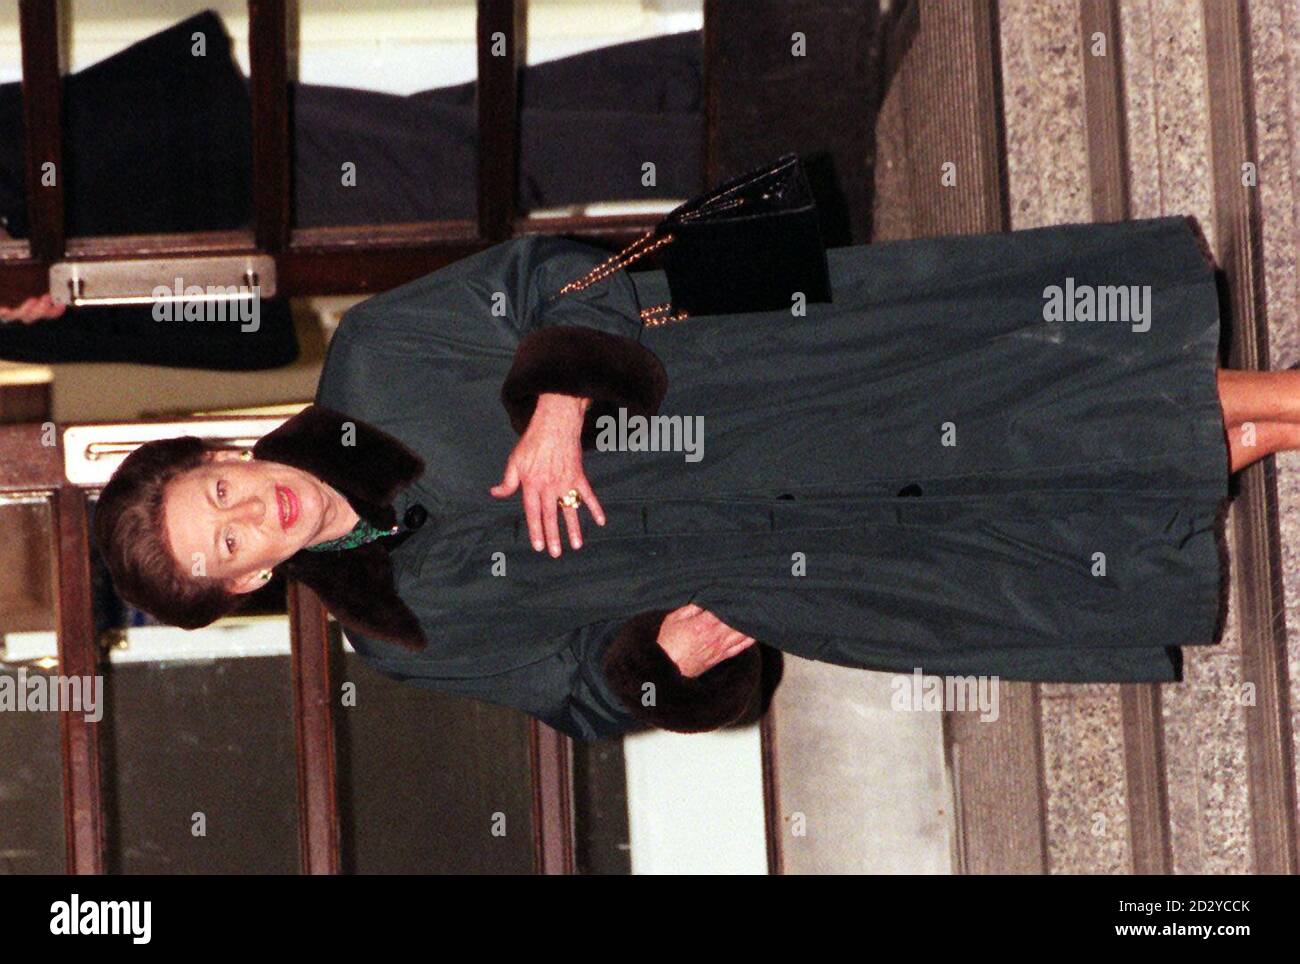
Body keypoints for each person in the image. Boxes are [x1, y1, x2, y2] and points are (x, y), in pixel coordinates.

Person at [94, 213, 1259, 740]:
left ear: (219, 453)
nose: (253, 517)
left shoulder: (375, 359)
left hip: (758, 394)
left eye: (221, 497)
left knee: (1026, 410)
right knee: (1046, 533)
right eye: (229, 548)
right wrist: (657, 665)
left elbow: (558, 271)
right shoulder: (404, 633)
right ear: (245, 585)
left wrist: (557, 395)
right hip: (776, 565)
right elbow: (576, 698)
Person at [0, 10, 703, 365]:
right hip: (203, 180)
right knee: (479, 138)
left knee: (490, 166)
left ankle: (748, 129)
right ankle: (722, 79)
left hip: (198, 167)